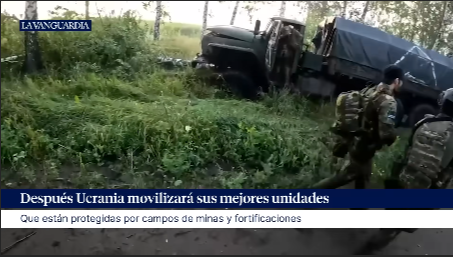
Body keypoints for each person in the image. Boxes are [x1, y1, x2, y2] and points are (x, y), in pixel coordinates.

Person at [355, 88, 453, 255]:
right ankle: (368, 248)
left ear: (442, 103)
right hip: (427, 190)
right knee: (398, 226)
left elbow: (406, 152)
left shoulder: (422, 123)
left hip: (403, 179)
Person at [311, 65, 404, 190]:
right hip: (364, 147)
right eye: (401, 82)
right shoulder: (388, 101)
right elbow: (386, 133)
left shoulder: (369, 90)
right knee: (346, 176)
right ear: (397, 81)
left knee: (363, 178)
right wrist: (394, 137)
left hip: (355, 140)